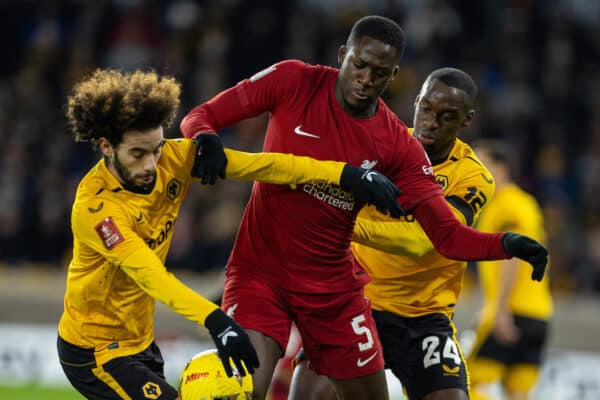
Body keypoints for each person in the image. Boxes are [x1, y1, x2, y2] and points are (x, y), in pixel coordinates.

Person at [181, 16, 548, 400]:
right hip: (265, 274)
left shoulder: (399, 150)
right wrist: (205, 138)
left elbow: (442, 237)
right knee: (246, 389)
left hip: (350, 297)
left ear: (393, 77)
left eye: (380, 73)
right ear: (343, 55)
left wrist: (505, 244)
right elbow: (199, 116)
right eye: (359, 65)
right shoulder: (292, 81)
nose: (365, 79)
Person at [56, 68, 405, 400]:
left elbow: (267, 165)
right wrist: (217, 321)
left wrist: (343, 175)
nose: (150, 164)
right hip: (94, 350)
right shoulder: (97, 210)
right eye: (137, 154)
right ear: (105, 146)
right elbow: (151, 277)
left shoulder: (172, 160)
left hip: (139, 340)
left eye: (156, 148)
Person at [289, 68, 495, 400]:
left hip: (424, 318)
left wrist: (346, 225)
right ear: (416, 102)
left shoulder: (472, 177)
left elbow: (428, 240)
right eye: (426, 108)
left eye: (447, 116)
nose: (431, 121)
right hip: (357, 303)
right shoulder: (376, 146)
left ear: (466, 120)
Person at [466, 140, 553, 400]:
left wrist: (500, 310)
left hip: (511, 311)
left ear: (502, 169)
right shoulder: (527, 203)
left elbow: (513, 256)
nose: (475, 171)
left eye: (482, 164)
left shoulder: (506, 205)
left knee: (467, 382)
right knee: (518, 391)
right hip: (539, 314)